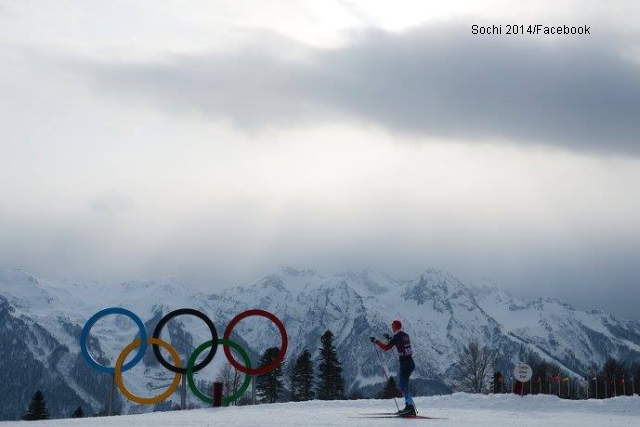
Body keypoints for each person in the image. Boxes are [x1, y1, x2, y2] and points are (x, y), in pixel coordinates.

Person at [370, 320, 416, 416]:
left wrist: (376, 341)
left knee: (403, 385)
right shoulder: (405, 335)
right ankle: (408, 406)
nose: (391, 328)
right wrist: (391, 338)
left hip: (405, 364)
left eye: (392, 326)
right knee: (404, 385)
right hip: (410, 362)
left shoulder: (396, 337)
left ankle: (410, 407)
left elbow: (386, 348)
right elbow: (401, 343)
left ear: (394, 327)